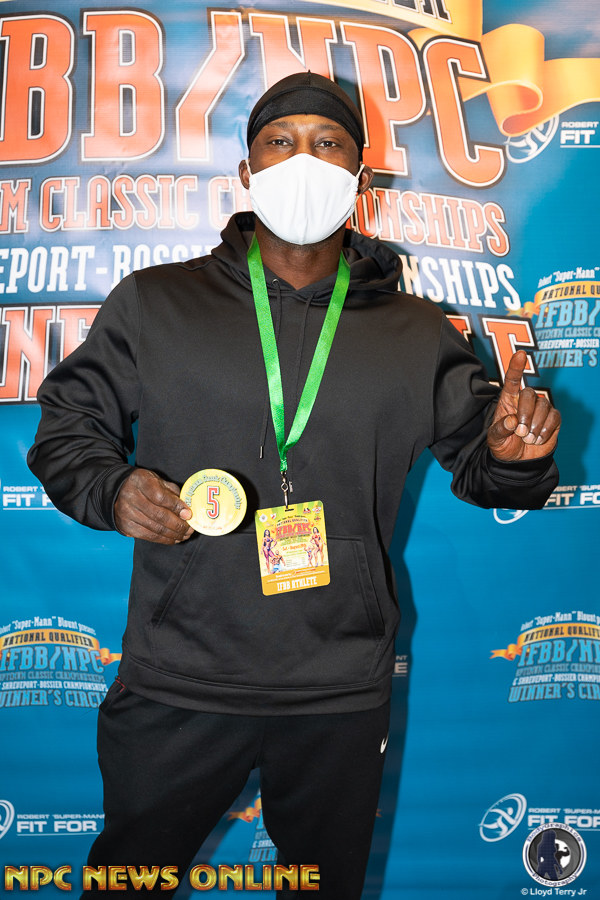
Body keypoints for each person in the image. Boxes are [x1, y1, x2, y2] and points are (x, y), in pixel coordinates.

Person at [28, 71, 560, 898]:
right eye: (280, 142)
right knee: (127, 884)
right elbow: (66, 430)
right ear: (247, 172)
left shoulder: (416, 331)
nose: (303, 161)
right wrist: (113, 488)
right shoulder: (156, 303)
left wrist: (517, 458)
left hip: (337, 686)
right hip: (180, 675)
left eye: (327, 144)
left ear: (359, 176)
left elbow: (484, 472)